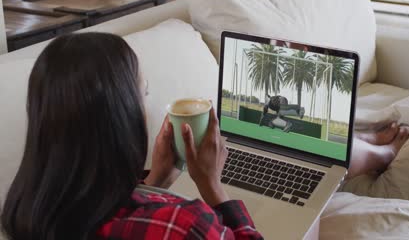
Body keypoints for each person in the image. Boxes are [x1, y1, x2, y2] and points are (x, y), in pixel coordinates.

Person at [0, 33, 263, 240]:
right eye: (143, 94)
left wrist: (155, 181)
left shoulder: (24, 212)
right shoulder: (184, 225)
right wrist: (212, 186)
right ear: (122, 115)